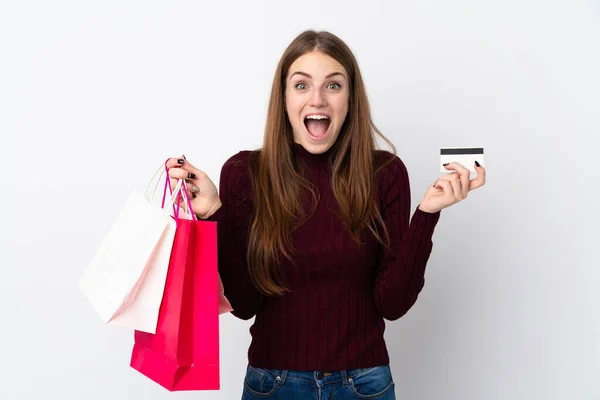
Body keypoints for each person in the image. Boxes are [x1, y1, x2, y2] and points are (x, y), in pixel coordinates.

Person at [165, 30, 486, 400]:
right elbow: (246, 305)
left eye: (333, 85)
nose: (317, 99)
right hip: (272, 385)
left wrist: (427, 215)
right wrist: (213, 214)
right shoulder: (244, 173)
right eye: (301, 85)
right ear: (283, 98)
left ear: (351, 98)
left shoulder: (384, 173)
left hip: (364, 385)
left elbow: (393, 305)